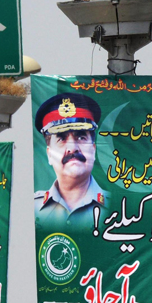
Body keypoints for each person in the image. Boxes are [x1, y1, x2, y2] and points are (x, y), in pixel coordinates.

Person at [34, 93, 108, 230]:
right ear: (49, 155)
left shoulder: (116, 206)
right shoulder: (32, 209)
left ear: (93, 150)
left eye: (81, 137)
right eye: (61, 139)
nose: (72, 148)